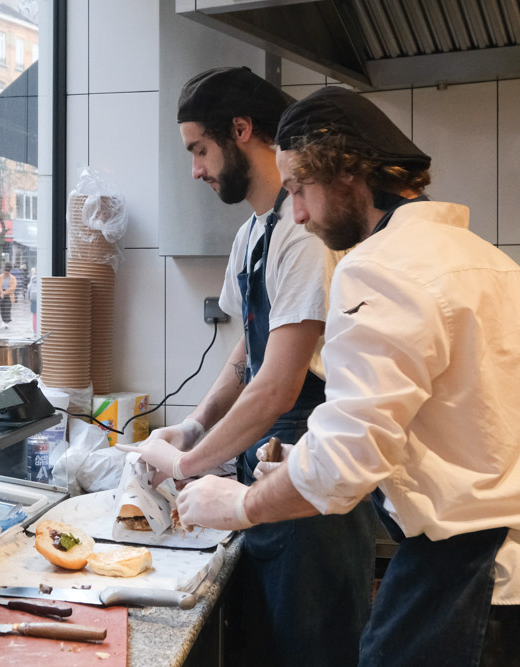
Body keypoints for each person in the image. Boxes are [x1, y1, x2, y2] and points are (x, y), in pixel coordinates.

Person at [178, 86, 520, 665]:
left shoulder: (377, 267)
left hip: (478, 582)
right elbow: (445, 427)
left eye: (299, 188)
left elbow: (344, 464)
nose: (296, 212)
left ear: (346, 173)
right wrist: (293, 461)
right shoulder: (501, 268)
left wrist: (238, 504)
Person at [118, 67, 374, 667]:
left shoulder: (302, 233)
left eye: (200, 150)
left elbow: (279, 386)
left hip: (311, 478)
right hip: (268, 475)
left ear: (241, 130)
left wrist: (185, 464)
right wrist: (194, 426)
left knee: (312, 654)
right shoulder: (254, 233)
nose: (196, 170)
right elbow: (248, 353)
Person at [0, 264, 17, 329]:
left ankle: (7, 322)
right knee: (2, 308)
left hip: (8, 295)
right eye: (5, 272)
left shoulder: (13, 278)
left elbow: (13, 287)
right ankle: (3, 320)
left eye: (7, 273)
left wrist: (5, 292)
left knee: (7, 309)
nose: (6, 274)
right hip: (0, 294)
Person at [27, 266, 39, 332]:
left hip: (33, 297)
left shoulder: (32, 279)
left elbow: (29, 289)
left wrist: (29, 297)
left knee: (34, 315)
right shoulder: (41, 278)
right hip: (40, 297)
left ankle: (35, 329)